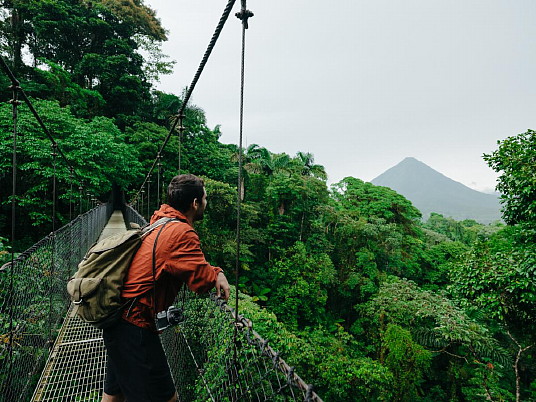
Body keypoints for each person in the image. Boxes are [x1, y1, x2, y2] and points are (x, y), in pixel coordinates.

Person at [102, 174, 231, 402]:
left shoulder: (160, 221)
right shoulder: (182, 233)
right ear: (195, 203)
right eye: (205, 199)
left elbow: (181, 261)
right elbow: (200, 282)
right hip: (134, 326)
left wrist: (213, 270)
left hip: (118, 319)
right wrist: (217, 272)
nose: (206, 203)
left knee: (114, 396)